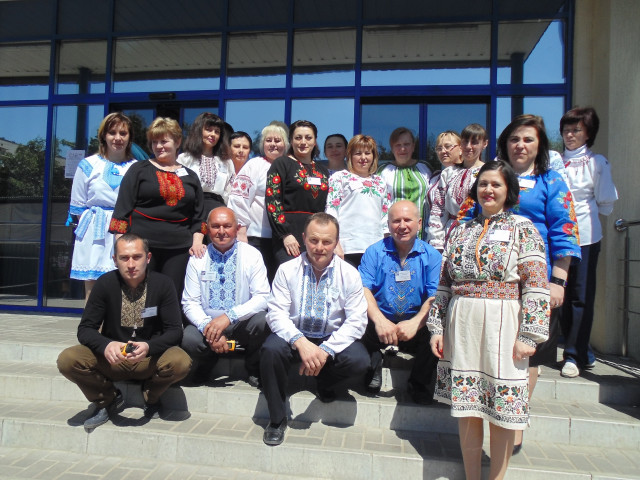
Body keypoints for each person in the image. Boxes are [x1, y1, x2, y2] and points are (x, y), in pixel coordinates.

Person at [456, 114, 581, 453]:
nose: (520, 145)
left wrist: (558, 280)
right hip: (488, 286)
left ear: (540, 145)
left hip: (535, 281)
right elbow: (465, 218)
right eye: (514, 139)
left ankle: (515, 418)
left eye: (528, 139)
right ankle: (486, 411)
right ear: (504, 144)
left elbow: (565, 229)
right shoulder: (489, 176)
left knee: (529, 354)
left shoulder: (551, 181)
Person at [427, 160, 550, 480]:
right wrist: (437, 327)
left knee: (502, 412)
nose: (488, 190)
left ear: (509, 190)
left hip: (504, 325)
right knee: (468, 409)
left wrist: (529, 335)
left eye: (496, 184)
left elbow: (536, 284)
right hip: (462, 325)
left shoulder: (524, 228)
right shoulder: (460, 230)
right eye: (483, 184)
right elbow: (444, 283)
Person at [57, 233, 191, 431]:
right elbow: (85, 329)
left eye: (136, 257)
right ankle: (107, 399)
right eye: (124, 258)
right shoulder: (105, 283)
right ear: (114, 260)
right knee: (68, 359)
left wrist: (149, 346)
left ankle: (150, 396)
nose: (131, 264)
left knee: (180, 362)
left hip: (149, 359)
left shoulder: (163, 284)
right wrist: (106, 345)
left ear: (148, 258)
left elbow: (174, 331)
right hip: (113, 359)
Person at [260, 213, 369, 446]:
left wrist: (326, 349)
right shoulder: (287, 270)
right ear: (303, 238)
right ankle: (277, 419)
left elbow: (357, 321)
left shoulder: (349, 273)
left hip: (331, 338)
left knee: (359, 360)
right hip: (294, 336)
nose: (320, 247)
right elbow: (276, 313)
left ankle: (325, 381)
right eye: (313, 240)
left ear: (336, 242)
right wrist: (300, 342)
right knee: (270, 350)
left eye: (327, 241)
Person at [109, 117, 206, 303]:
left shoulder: (190, 176)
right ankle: (135, 324)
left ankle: (169, 324)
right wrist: (121, 247)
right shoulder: (138, 170)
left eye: (164, 141)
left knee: (171, 295)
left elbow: (198, 216)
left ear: (177, 142)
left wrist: (197, 243)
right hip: (142, 246)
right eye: (154, 142)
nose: (159, 146)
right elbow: (122, 210)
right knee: (140, 295)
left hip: (179, 248)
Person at [358, 200, 442, 404]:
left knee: (439, 329)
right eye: (396, 221)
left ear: (419, 223)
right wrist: (379, 321)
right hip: (379, 324)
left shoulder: (432, 256)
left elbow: (434, 296)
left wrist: (416, 323)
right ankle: (373, 364)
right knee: (355, 321)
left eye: (407, 220)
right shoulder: (374, 252)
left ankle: (418, 382)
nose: (402, 226)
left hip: (415, 325)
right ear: (388, 225)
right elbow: (363, 289)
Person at [558, 107, 618, 377]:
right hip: (559, 237)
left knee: (580, 296)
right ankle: (582, 349)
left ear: (588, 133)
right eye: (566, 130)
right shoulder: (555, 161)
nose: (570, 135)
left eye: (576, 130)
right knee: (559, 293)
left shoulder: (597, 163)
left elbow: (606, 203)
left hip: (586, 237)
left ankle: (573, 355)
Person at [181, 207, 270, 386]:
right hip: (208, 324)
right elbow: (189, 302)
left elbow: (263, 297)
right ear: (207, 229)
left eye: (227, 226)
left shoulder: (252, 255)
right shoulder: (198, 257)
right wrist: (209, 329)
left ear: (237, 229)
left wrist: (229, 317)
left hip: (241, 323)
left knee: (264, 322)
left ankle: (253, 367)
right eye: (215, 226)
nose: (221, 231)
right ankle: (207, 364)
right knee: (188, 338)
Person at [68, 112, 137, 302]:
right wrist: (93, 228)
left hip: (125, 230)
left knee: (125, 285)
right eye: (112, 133)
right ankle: (92, 322)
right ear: (103, 136)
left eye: (123, 133)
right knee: (93, 287)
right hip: (94, 232)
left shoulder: (136, 168)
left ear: (129, 137)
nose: (117, 138)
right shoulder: (88, 165)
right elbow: (78, 205)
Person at [227, 123, 289, 282]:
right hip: (257, 237)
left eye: (278, 140)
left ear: (285, 144)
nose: (273, 144)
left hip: (284, 238)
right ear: (262, 144)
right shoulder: (255, 165)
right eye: (269, 140)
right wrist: (241, 229)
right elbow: (239, 198)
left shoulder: (290, 166)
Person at [265, 120, 330, 266]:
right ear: (291, 141)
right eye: (298, 138)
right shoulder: (281, 164)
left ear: (315, 141)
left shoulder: (323, 171)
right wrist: (285, 234)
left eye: (308, 138)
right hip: (289, 235)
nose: (303, 142)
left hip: (316, 236)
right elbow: (273, 201)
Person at [325, 134, 392, 268]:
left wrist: (387, 245)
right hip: (348, 247)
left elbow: (386, 216)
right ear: (350, 156)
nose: (363, 158)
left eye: (367, 153)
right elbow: (332, 212)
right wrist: (335, 243)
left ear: (373, 156)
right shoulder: (340, 178)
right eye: (358, 153)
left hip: (376, 247)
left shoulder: (381, 182)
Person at [427, 124, 488, 251]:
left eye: (474, 142)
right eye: (465, 142)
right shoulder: (448, 173)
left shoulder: (489, 172)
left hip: (479, 232)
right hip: (451, 233)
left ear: (484, 144)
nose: (469, 146)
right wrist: (437, 242)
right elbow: (439, 208)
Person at [377, 127, 432, 239]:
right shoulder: (383, 171)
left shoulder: (425, 168)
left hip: (423, 234)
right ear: (392, 148)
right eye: (398, 145)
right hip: (393, 234)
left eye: (407, 144)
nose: (402, 149)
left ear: (413, 146)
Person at [178, 112, 232, 211]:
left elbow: (229, 192)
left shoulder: (226, 162)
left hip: (218, 209)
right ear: (199, 131)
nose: (213, 134)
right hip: (192, 208)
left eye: (217, 132)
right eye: (208, 130)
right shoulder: (184, 158)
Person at [426, 130, 463, 217]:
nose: (443, 151)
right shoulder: (435, 177)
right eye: (439, 148)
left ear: (461, 149)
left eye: (448, 146)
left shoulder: (467, 175)